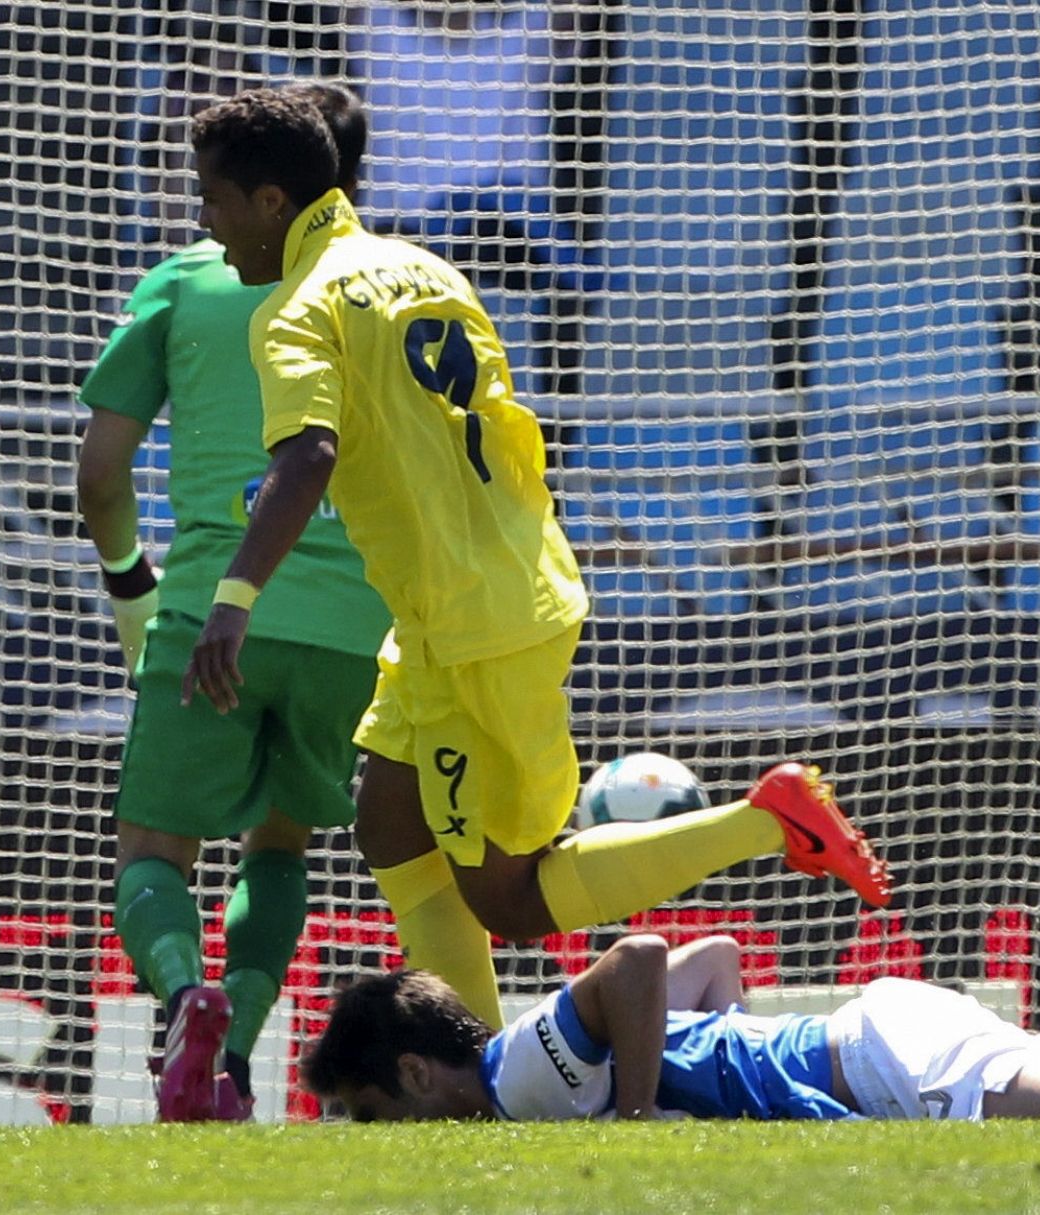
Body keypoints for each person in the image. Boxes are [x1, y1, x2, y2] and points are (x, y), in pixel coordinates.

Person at [178, 86, 892, 1035]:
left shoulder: (295, 311)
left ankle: (771, 817)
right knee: (389, 824)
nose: (205, 224)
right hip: (482, 597)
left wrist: (235, 597)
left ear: (272, 203)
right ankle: (476, 1076)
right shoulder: (422, 268)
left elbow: (310, 452)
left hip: (477, 630)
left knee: (508, 899)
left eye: (213, 199)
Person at [300, 777, 1040, 1122]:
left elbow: (642, 961)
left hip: (875, 1059)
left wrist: (634, 1115)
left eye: (363, 1114)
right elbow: (708, 961)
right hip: (874, 1038)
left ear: (410, 1073)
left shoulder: (514, 1081)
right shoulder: (540, 1071)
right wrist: (697, 1063)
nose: (375, 1143)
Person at [77, 84, 392, 1122]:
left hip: (221, 606)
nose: (200, 213)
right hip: (353, 623)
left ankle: (184, 997)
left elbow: (101, 468)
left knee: (153, 851)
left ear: (266, 194)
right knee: (281, 845)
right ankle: (240, 1058)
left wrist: (131, 578)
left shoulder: (186, 282)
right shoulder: (385, 286)